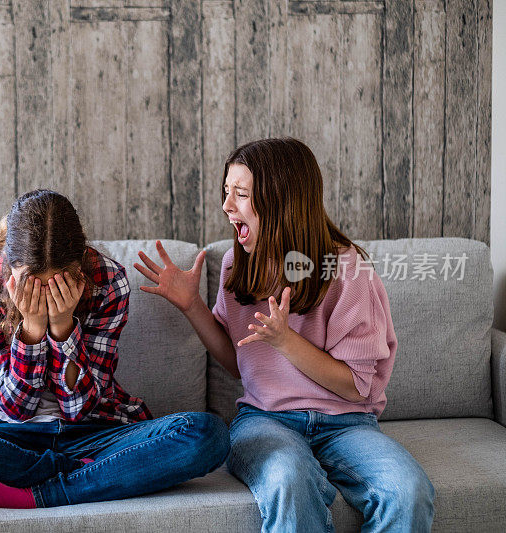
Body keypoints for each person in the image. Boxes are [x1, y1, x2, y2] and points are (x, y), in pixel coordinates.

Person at [135, 138, 434, 531]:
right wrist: (192, 306)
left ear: (282, 202)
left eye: (240, 195)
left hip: (347, 423)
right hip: (264, 420)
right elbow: (239, 364)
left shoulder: (345, 269)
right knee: (289, 481)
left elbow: (357, 387)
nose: (227, 207)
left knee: (408, 491)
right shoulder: (235, 265)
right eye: (227, 192)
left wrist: (286, 342)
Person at [0, 189, 229, 509]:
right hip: (6, 434)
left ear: (79, 267)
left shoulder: (109, 281)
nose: (45, 292)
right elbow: (15, 409)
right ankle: (89, 474)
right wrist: (33, 329)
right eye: (31, 282)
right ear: (9, 264)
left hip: (93, 430)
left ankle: (38, 492)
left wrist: (64, 326)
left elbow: (79, 409)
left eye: (59, 282)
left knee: (207, 435)